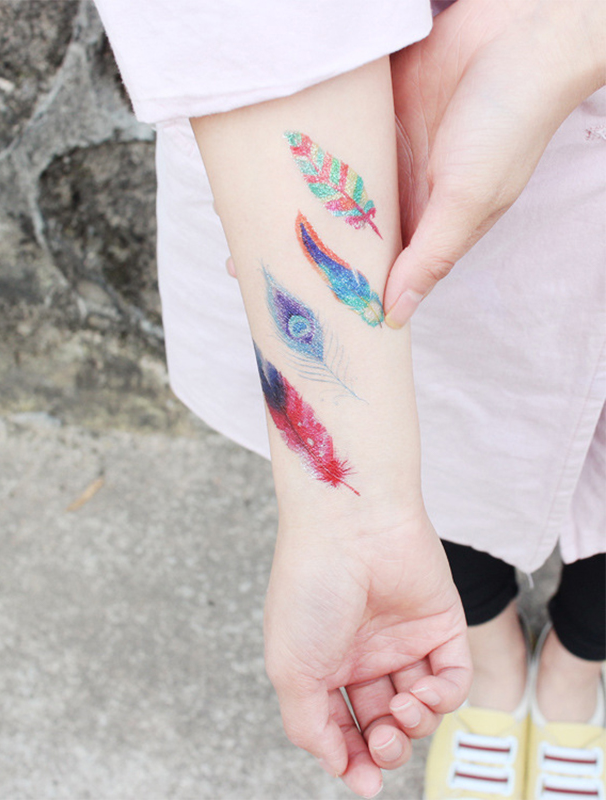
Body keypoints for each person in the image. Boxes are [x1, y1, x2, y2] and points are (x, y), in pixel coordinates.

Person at [92, 0, 606, 796]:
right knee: (433, 421)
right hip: (389, 108)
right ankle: (490, 657)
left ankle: (578, 669)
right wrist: (354, 521)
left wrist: (571, 28)